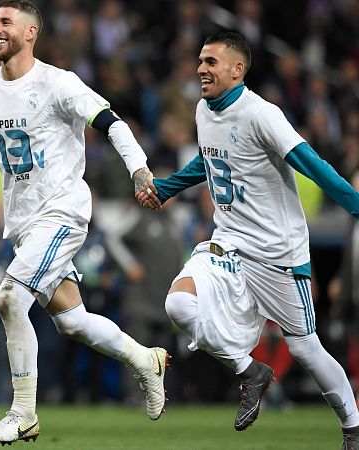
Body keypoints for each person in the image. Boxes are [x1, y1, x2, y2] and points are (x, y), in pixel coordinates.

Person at [0, 1, 169, 444]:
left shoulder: (58, 84)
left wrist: (139, 169)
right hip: (25, 224)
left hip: (63, 211)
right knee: (71, 321)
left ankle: (23, 412)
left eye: (6, 22)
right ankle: (146, 359)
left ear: (31, 32)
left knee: (11, 297)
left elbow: (111, 122)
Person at [137, 31, 359, 448]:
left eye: (211, 62)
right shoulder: (204, 111)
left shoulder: (262, 115)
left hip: (278, 254)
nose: (201, 69)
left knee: (307, 349)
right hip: (230, 243)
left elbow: (311, 163)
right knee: (179, 303)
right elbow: (210, 161)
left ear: (237, 70)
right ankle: (250, 370)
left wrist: (356, 205)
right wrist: (167, 187)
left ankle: (353, 427)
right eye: (200, 61)